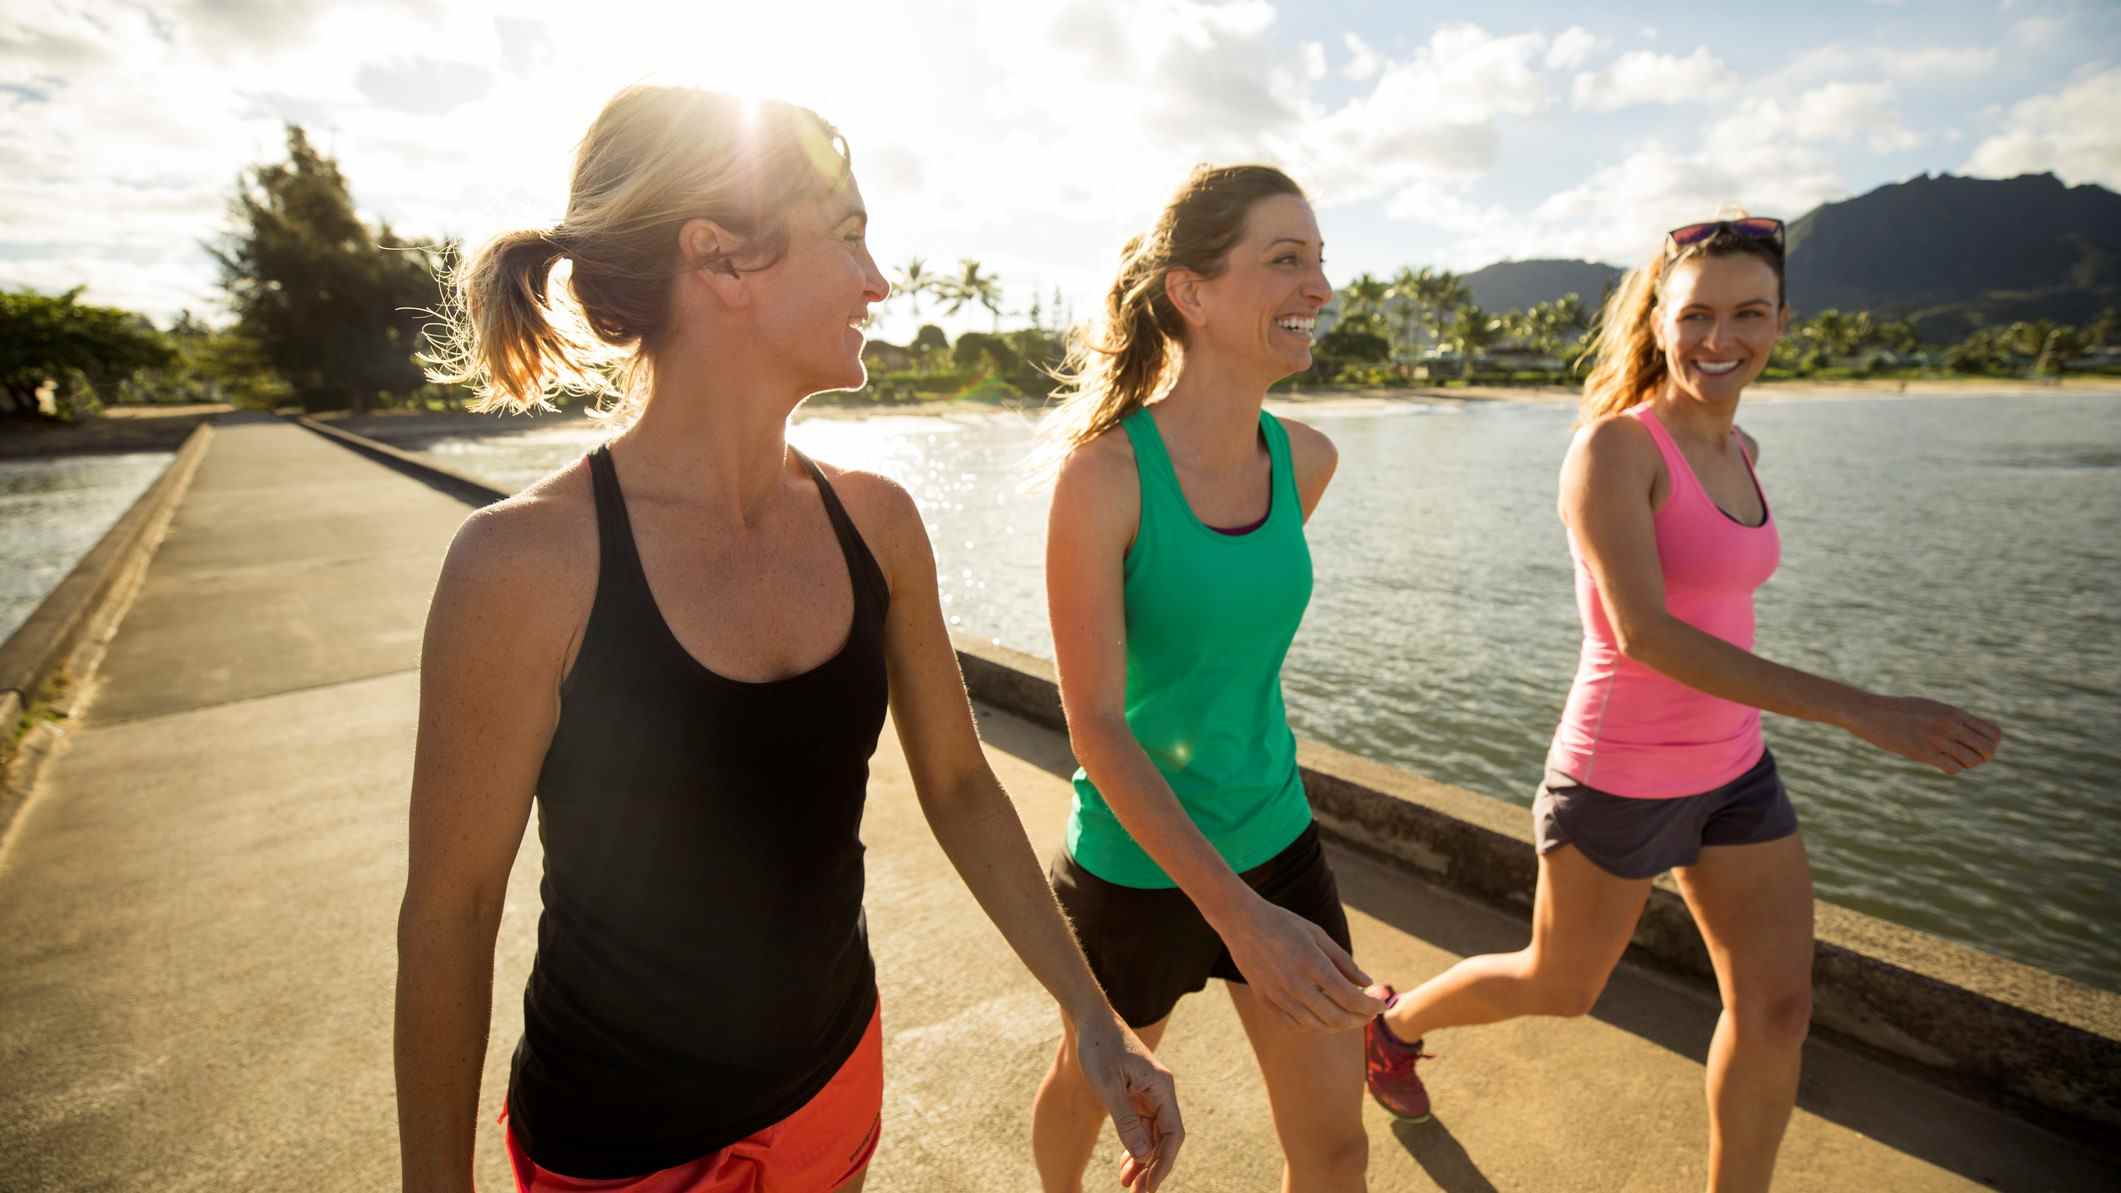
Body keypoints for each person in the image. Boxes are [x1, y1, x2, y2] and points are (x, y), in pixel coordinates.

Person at [393, 85, 1183, 1193]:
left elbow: (958, 783)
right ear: (719, 261)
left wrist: (1095, 1019)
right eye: (851, 234)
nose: (880, 279)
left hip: (832, 1087)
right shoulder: (525, 566)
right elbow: (451, 909)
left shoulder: (879, 521)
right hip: (618, 1151)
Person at [1363, 214, 2004, 1192]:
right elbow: (1646, 635)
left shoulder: (1742, 447)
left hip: (1735, 773)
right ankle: (1393, 1025)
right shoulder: (1616, 451)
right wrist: (1863, 709)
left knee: (1779, 1005)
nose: (1721, 338)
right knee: (1561, 983)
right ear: (1658, 319)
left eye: (1749, 313)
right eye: (1697, 314)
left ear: (1783, 320)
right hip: (1619, 773)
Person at [1030, 164, 1385, 1193]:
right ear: (1191, 291)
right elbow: (1097, 723)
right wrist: (1236, 917)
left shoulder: (1307, 460)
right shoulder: (1102, 477)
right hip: (1135, 868)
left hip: (1277, 843)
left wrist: (1262, 906)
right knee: (1087, 1091)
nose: (1318, 287)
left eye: (1320, 261)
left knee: (1336, 1150)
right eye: (1286, 260)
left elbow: (1227, 657)